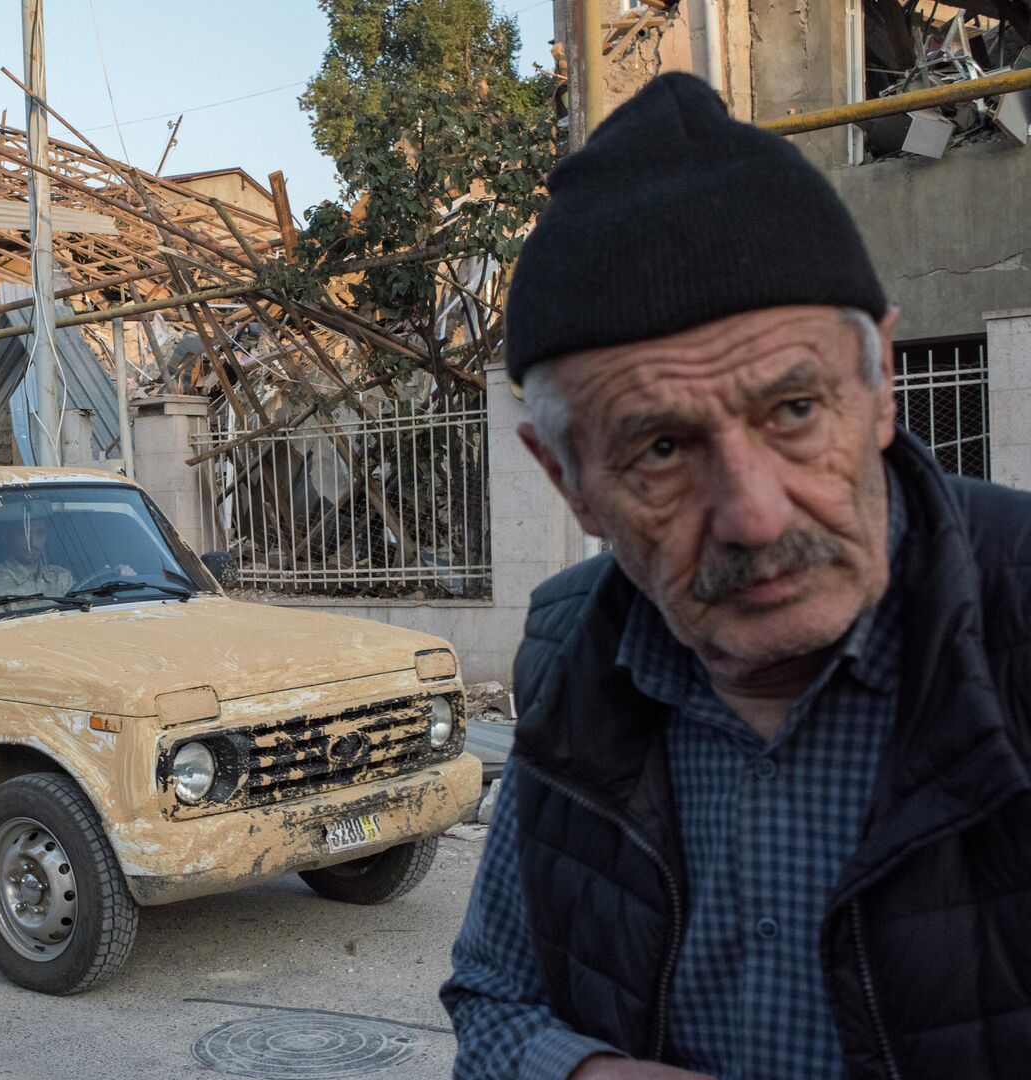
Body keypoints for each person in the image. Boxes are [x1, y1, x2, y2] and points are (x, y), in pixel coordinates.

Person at [442, 73, 1031, 1079]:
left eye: (794, 411)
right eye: (661, 449)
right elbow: (494, 999)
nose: (754, 515)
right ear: (567, 480)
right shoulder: (569, 650)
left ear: (880, 386)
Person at [0, 508, 73, 605]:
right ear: (6, 536)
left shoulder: (62, 577)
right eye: (23, 533)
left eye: (40, 533)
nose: (33, 543)